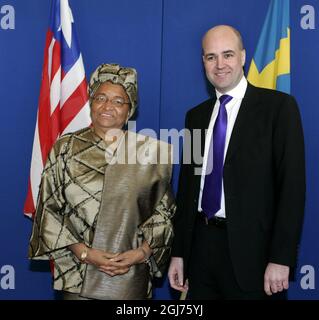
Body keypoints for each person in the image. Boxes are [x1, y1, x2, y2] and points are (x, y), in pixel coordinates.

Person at [168, 25, 305, 300]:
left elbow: (292, 188)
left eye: (227, 55)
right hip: (200, 253)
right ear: (203, 62)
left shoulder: (278, 108)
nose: (220, 65)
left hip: (254, 257)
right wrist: (179, 253)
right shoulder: (195, 117)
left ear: (243, 56)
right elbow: (187, 191)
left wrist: (281, 258)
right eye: (211, 57)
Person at [29, 63, 175, 300]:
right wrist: (85, 253)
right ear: (91, 103)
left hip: (131, 276)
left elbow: (164, 216)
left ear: (130, 110)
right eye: (101, 98)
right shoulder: (65, 148)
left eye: (119, 101)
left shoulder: (151, 153)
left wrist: (140, 254)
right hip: (79, 276)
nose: (108, 106)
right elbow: (49, 210)